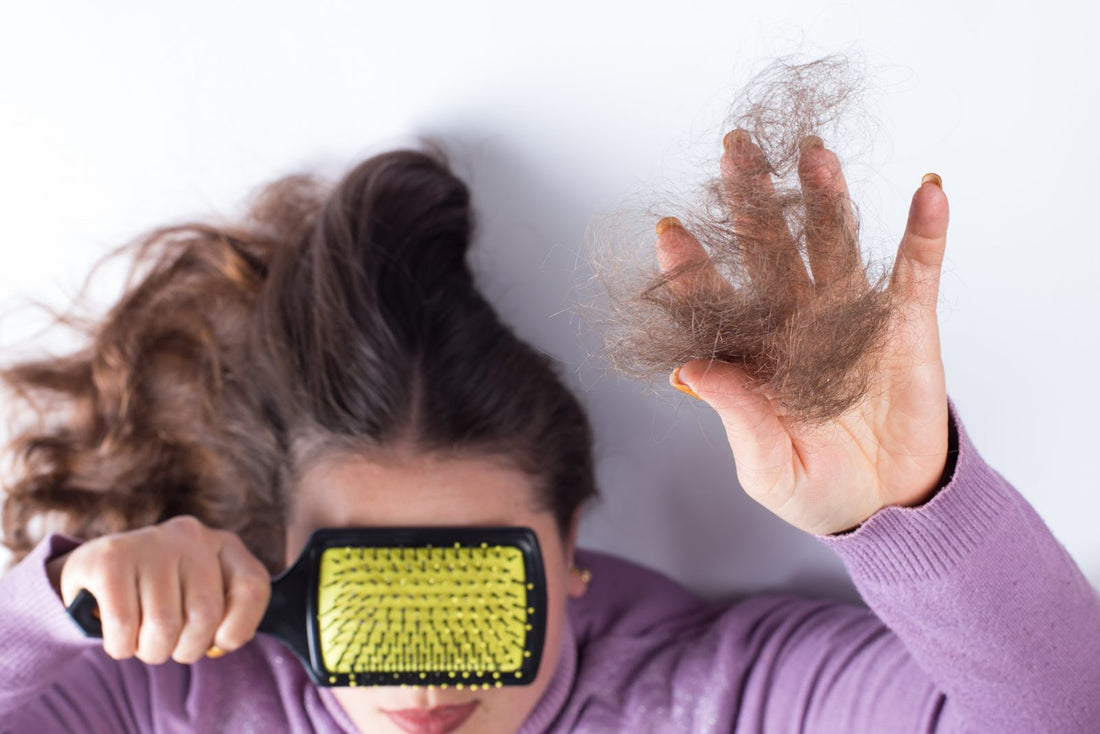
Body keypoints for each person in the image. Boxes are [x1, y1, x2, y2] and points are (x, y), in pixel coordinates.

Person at [0, 132, 1097, 734]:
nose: (420, 687)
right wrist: (54, 607)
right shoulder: (163, 703)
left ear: (570, 556)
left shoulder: (730, 699)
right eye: (370, 592)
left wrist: (914, 510)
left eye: (468, 589)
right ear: (285, 558)